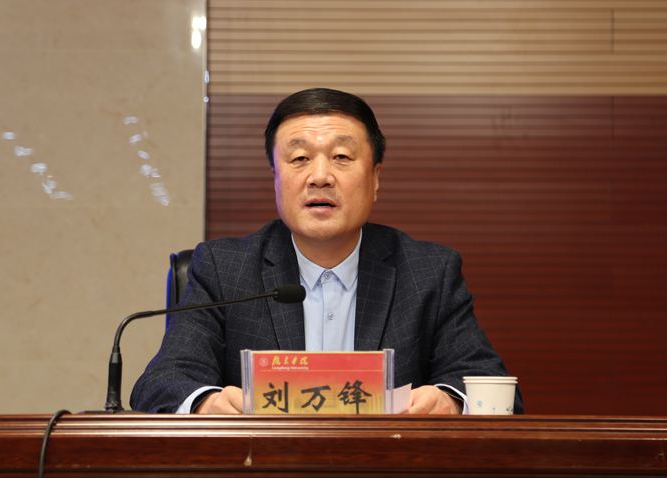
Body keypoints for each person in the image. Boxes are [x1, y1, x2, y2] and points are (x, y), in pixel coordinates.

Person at [131, 88, 523, 415]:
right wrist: (206, 404)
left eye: (342, 157)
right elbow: (161, 383)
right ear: (276, 178)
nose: (320, 176)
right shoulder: (224, 270)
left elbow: (491, 384)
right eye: (299, 159)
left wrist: (451, 402)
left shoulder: (428, 271)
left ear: (375, 178)